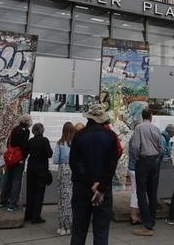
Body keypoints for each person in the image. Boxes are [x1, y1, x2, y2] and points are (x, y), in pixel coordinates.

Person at [69, 103, 121, 245]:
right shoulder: (110, 136)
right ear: (102, 119)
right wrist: (100, 185)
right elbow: (112, 164)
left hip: (81, 188)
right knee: (101, 231)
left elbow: (74, 164)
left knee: (79, 230)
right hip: (102, 191)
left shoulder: (78, 136)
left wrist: (89, 183)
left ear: (89, 118)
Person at [130, 108, 163, 236]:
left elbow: (136, 146)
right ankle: (152, 221)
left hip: (143, 160)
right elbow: (160, 146)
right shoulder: (155, 128)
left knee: (141, 192)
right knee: (152, 192)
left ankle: (147, 223)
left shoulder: (138, 128)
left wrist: (138, 157)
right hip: (154, 160)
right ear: (150, 116)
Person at [0, 114, 32, 212]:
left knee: (7, 179)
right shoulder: (25, 131)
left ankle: (2, 201)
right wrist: (25, 156)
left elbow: (9, 141)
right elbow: (24, 145)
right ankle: (12, 204)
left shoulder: (15, 129)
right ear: (28, 122)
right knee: (16, 181)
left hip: (10, 158)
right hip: (18, 158)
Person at [24, 123, 53, 224]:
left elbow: (26, 153)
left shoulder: (31, 141)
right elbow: (49, 154)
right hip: (41, 169)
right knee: (39, 193)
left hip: (31, 168)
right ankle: (36, 216)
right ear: (42, 130)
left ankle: (28, 214)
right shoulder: (44, 140)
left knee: (30, 191)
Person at [53, 121, 75, 236]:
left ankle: (62, 226)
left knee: (62, 199)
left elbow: (55, 159)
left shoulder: (60, 143)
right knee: (71, 198)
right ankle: (70, 225)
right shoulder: (75, 143)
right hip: (73, 170)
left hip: (63, 170)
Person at [127, 135, 141, 225]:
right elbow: (137, 155)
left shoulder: (132, 139)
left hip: (133, 168)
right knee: (136, 192)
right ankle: (134, 216)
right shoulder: (136, 140)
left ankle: (135, 214)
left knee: (136, 191)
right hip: (135, 168)